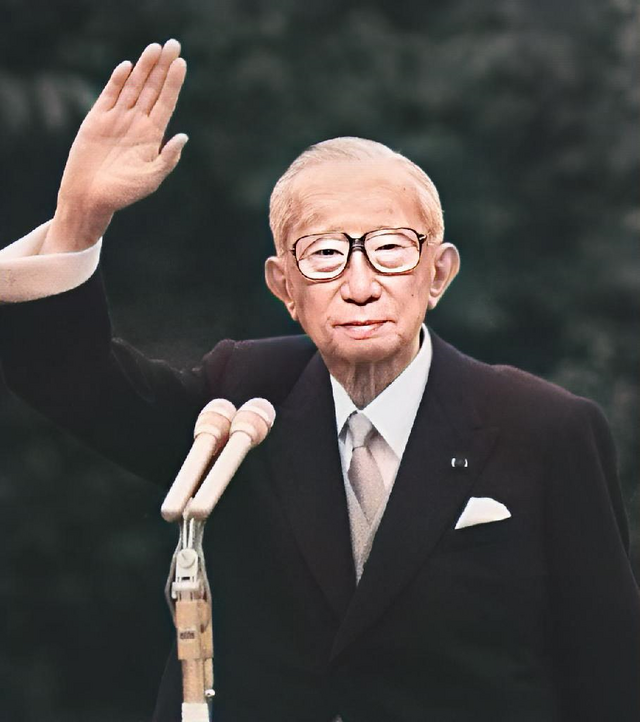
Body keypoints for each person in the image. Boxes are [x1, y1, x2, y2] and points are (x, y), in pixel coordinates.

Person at [1, 40, 638, 722]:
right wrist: (81, 217)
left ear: (439, 273)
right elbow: (77, 383)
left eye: (390, 249)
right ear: (285, 287)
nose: (360, 285)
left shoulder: (543, 427)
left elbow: (610, 673)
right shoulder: (243, 396)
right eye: (326, 254)